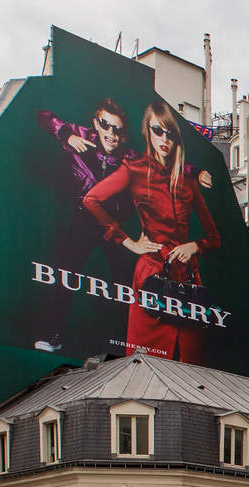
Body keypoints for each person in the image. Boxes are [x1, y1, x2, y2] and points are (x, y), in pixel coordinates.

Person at [82, 100, 222, 364]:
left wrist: (195, 246)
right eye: (158, 131)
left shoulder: (187, 181)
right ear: (148, 131)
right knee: (142, 366)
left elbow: (214, 238)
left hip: (188, 282)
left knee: (190, 368)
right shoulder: (135, 169)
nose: (164, 139)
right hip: (151, 276)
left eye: (170, 133)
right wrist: (128, 242)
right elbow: (91, 199)